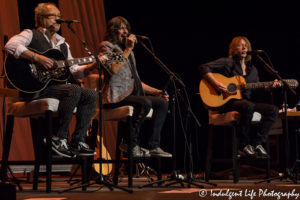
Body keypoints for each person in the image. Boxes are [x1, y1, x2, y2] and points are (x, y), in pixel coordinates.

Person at [5, 3, 97, 158]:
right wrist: (37, 58)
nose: (58, 19)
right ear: (41, 18)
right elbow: (10, 45)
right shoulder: (30, 34)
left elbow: (74, 71)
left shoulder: (63, 44)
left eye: (59, 16)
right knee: (73, 90)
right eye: (53, 16)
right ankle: (59, 138)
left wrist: (92, 66)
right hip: (35, 86)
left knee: (90, 94)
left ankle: (77, 141)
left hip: (55, 89)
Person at [98, 16, 172, 158]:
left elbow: (136, 80)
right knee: (145, 103)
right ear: (113, 30)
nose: (125, 31)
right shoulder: (107, 46)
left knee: (162, 103)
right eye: (121, 28)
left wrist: (157, 91)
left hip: (131, 94)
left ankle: (154, 145)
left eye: (127, 28)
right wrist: (127, 49)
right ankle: (129, 143)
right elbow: (113, 68)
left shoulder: (129, 52)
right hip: (115, 96)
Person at [198, 36, 280, 158]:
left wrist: (269, 88)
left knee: (273, 110)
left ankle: (255, 144)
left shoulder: (253, 70)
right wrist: (216, 83)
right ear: (233, 48)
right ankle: (242, 145)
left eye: (246, 45)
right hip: (226, 102)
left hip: (245, 103)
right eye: (240, 45)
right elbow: (203, 67)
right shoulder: (227, 62)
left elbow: (257, 89)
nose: (244, 47)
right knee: (248, 106)